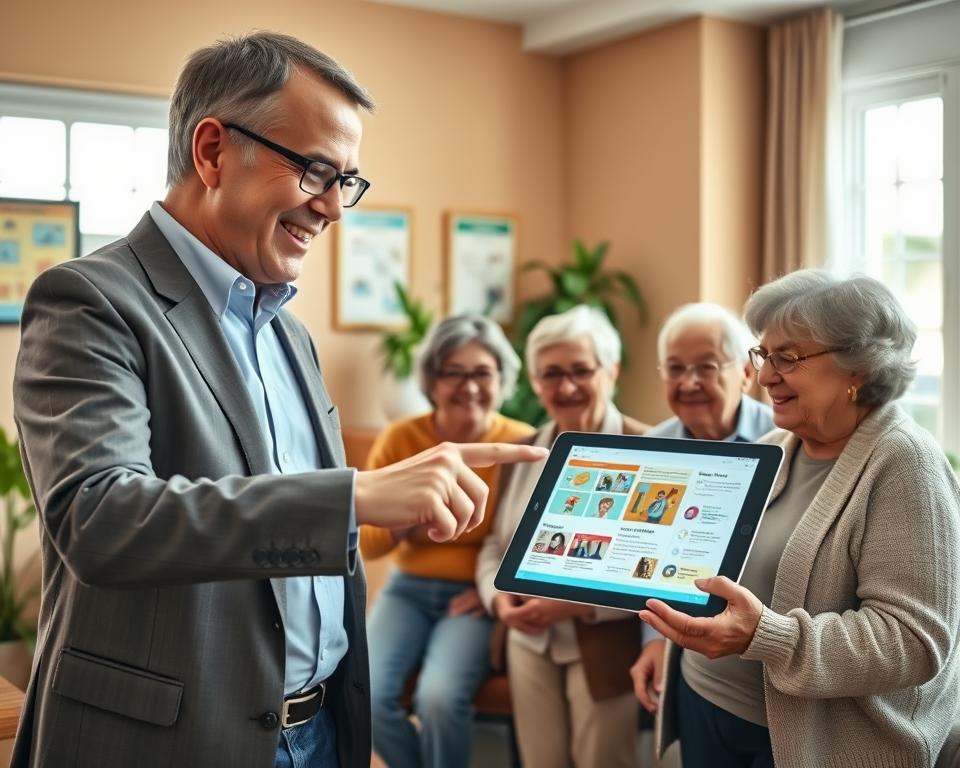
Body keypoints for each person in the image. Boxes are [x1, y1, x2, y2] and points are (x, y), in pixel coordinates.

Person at [10, 33, 546, 768]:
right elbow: (100, 517)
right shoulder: (92, 300)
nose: (332, 208)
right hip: (172, 740)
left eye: (346, 181)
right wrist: (353, 495)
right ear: (213, 152)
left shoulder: (288, 333)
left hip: (319, 731)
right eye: (316, 171)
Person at [632, 270, 960, 768]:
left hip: (805, 743)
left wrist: (766, 636)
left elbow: (912, 641)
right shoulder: (770, 451)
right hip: (703, 702)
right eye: (764, 356)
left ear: (860, 368)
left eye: (788, 358)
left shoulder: (905, 463)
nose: (764, 377)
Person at [476, 305, 650, 768]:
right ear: (535, 382)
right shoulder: (527, 450)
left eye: (580, 370)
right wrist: (499, 599)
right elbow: (496, 544)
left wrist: (575, 605)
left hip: (604, 642)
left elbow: (657, 569)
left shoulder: (649, 448)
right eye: (551, 374)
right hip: (528, 639)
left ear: (610, 371)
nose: (566, 386)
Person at [361, 315, 533, 768]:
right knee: (367, 696)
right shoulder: (404, 438)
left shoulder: (519, 443)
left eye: (482, 373)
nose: (469, 386)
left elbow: (531, 537)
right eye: (453, 373)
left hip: (474, 597)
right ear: (432, 380)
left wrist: (492, 590)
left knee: (439, 699)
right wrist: (413, 512)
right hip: (407, 591)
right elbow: (371, 544)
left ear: (501, 379)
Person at [645, 302, 775, 441]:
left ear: (746, 373)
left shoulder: (783, 441)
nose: (688, 385)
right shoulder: (652, 445)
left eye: (706, 367)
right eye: (675, 368)